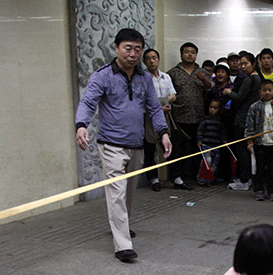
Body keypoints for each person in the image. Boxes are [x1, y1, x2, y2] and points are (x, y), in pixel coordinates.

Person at [75, 28, 171, 262]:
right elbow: (88, 102)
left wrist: (164, 133)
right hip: (111, 145)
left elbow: (154, 107)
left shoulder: (144, 78)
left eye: (137, 49)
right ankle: (122, 245)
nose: (133, 54)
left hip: (136, 144)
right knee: (116, 192)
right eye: (128, 48)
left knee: (128, 191)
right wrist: (81, 125)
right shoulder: (103, 75)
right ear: (116, 48)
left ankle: (121, 225)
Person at [168, 42, 212, 189]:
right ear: (181, 54)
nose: (189, 54)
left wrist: (205, 80)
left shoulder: (203, 72)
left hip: (198, 117)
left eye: (192, 52)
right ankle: (177, 177)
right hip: (179, 116)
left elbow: (210, 90)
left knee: (196, 148)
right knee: (178, 149)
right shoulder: (173, 73)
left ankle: (194, 176)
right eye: (186, 52)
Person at [244, 79, 273, 201]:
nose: (267, 92)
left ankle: (272, 191)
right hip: (259, 144)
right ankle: (259, 190)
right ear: (259, 92)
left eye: (269, 90)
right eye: (264, 90)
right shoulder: (254, 107)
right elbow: (249, 125)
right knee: (259, 169)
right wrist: (250, 141)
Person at [225, 51, 260, 191]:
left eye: (246, 63)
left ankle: (244, 179)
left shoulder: (250, 79)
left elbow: (239, 98)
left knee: (242, 149)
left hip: (243, 119)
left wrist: (228, 93)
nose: (243, 67)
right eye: (241, 64)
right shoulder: (258, 78)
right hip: (251, 118)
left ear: (253, 64)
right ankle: (248, 178)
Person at [142, 48, 176, 192]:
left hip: (166, 116)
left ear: (158, 59)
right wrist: (159, 107)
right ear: (144, 61)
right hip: (148, 118)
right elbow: (142, 100)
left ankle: (176, 177)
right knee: (150, 150)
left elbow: (173, 95)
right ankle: (153, 179)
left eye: (154, 57)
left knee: (169, 148)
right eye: (148, 58)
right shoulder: (142, 78)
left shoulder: (165, 77)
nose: (151, 60)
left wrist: (162, 103)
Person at [196, 99, 225, 184]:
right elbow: (200, 131)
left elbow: (222, 133)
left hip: (216, 145)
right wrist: (199, 140)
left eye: (215, 108)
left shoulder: (220, 121)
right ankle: (201, 179)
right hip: (206, 145)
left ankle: (211, 178)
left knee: (215, 163)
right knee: (206, 161)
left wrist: (224, 140)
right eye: (211, 107)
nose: (212, 110)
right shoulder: (205, 120)